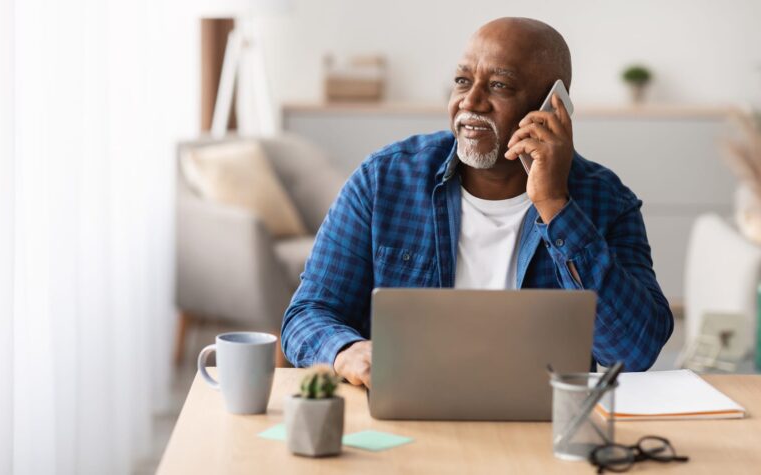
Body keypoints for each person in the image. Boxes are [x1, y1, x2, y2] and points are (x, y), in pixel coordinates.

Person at [281, 17, 673, 388]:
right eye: (462, 80)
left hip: (543, 427)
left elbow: (635, 352)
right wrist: (345, 351)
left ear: (552, 108)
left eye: (499, 85)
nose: (471, 101)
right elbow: (307, 315)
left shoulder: (606, 200)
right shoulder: (385, 180)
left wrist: (555, 205)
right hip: (405, 415)